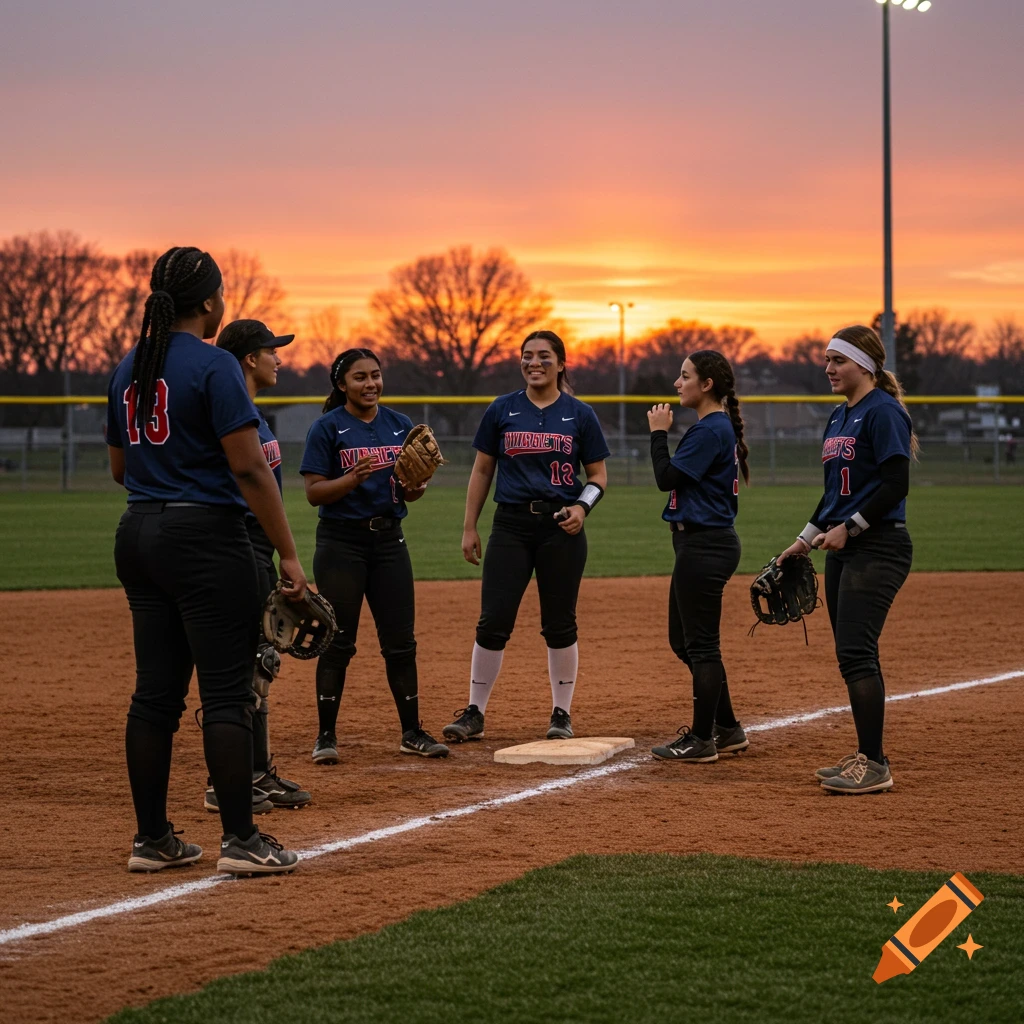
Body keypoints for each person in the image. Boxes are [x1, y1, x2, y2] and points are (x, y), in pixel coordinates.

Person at [106, 246, 303, 875]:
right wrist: (291, 557)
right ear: (212, 302)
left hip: (137, 532)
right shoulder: (215, 365)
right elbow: (248, 465)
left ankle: (152, 839)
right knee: (225, 692)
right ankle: (243, 839)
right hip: (205, 538)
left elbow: (119, 468)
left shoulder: (128, 365)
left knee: (155, 695)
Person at [444, 330, 610, 743]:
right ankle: (475, 713)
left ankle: (561, 713)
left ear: (561, 363)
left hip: (561, 528)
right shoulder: (502, 409)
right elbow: (482, 470)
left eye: (544, 356)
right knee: (494, 620)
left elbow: (597, 477)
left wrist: (582, 507)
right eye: (527, 355)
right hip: (511, 525)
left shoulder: (580, 414)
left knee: (559, 623)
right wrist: (470, 526)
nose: (534, 363)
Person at [777, 324, 915, 795]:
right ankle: (866, 753)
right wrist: (804, 539)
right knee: (850, 654)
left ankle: (875, 764)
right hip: (845, 547)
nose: (828, 368)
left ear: (864, 365)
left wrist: (850, 527)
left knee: (857, 652)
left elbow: (896, 484)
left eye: (837, 360)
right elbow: (833, 493)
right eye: (828, 360)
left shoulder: (883, 412)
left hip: (879, 547)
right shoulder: (839, 416)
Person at [300, 348, 449, 762]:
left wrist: (417, 487)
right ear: (342, 384)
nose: (370, 384)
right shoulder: (327, 429)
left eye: (376, 375)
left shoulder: (400, 425)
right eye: (360, 377)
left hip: (388, 542)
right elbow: (313, 493)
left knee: (400, 643)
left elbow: (407, 493)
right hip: (340, 544)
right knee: (338, 642)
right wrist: (351, 479)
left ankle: (412, 732)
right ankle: (325, 737)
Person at [210, 319, 312, 812]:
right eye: (273, 351)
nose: (279, 358)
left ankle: (254, 771)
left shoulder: (253, 414)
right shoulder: (226, 411)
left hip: (258, 544)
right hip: (235, 543)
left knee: (261, 662)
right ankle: (222, 783)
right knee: (236, 666)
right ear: (249, 358)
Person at [646, 351, 750, 763]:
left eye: (685, 376)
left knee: (702, 646)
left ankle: (703, 738)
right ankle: (727, 727)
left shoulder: (709, 430)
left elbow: (665, 478)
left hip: (705, 545)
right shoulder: (713, 427)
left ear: (706, 385)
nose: (677, 383)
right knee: (684, 641)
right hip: (700, 543)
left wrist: (658, 433)